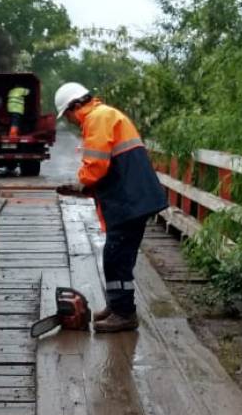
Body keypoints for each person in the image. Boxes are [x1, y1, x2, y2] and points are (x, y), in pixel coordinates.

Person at [54, 82, 167, 333]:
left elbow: (96, 165)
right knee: (117, 256)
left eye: (68, 115)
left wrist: (81, 181)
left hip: (130, 200)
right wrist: (83, 187)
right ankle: (118, 306)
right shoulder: (105, 115)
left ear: (74, 106)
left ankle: (125, 313)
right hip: (132, 197)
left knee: (116, 257)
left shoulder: (97, 118)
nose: (70, 121)